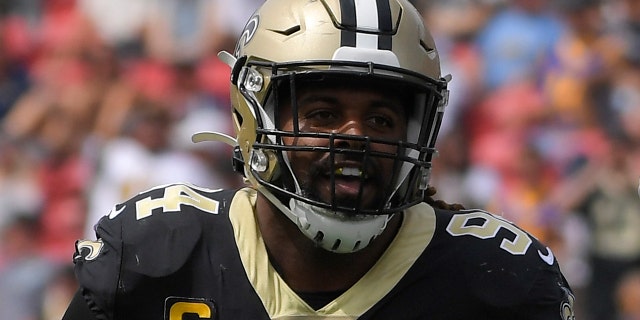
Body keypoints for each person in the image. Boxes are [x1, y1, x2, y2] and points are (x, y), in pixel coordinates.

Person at [62, 0, 576, 319]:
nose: (354, 138)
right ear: (253, 116)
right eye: (323, 113)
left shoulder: (494, 277)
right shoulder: (156, 253)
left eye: (380, 120)